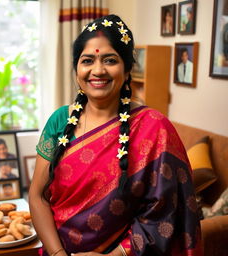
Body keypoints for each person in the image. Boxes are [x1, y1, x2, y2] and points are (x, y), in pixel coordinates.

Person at [29, 14, 202, 256]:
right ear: (76, 68)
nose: (97, 71)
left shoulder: (154, 128)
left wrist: (117, 255)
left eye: (110, 60)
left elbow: (167, 212)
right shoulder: (59, 121)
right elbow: (38, 196)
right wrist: (58, 254)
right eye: (87, 60)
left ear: (128, 68)